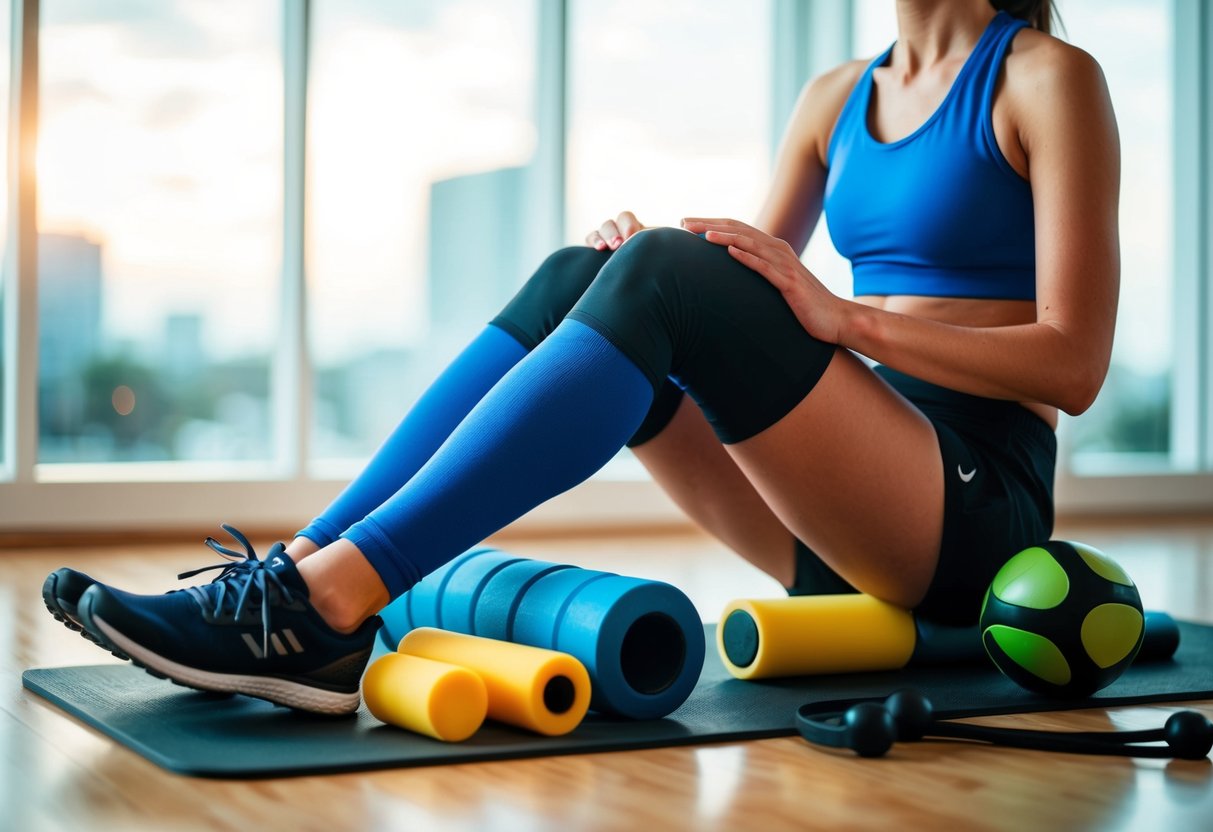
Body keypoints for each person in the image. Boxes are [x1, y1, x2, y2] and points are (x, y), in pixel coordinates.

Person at [43, 0, 1119, 715]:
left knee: (660, 276)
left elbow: (1074, 365)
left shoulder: (1045, 79)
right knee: (586, 271)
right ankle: (298, 582)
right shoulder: (836, 96)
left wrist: (854, 322)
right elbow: (750, 297)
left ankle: (328, 602)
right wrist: (631, 280)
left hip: (970, 518)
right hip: (835, 519)